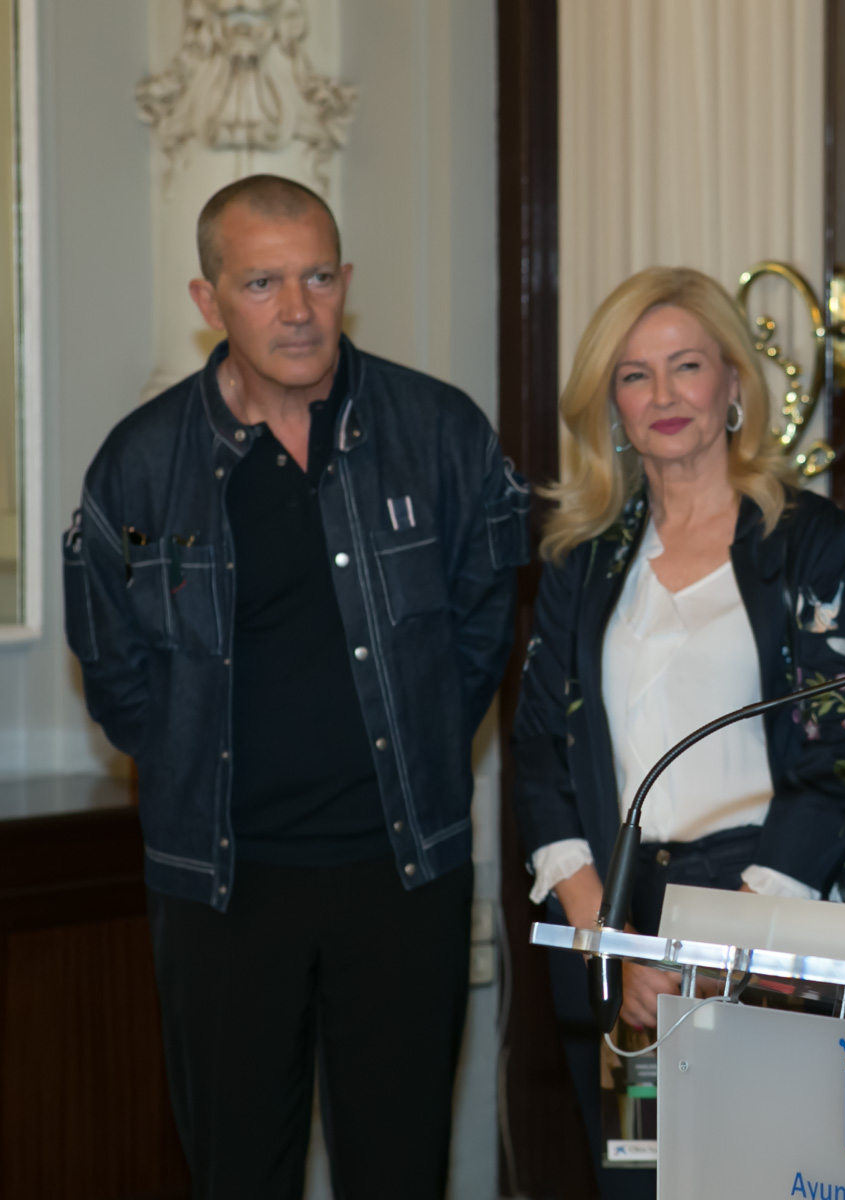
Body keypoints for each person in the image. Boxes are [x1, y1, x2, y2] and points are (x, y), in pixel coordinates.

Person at [62, 175, 526, 1197]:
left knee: (400, 1172)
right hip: (225, 887)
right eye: (263, 283)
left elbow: (488, 608)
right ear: (208, 300)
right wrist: (182, 749)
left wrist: (432, 734)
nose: (297, 309)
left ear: (346, 280)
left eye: (317, 277)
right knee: (236, 1174)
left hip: (402, 876)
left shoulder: (439, 432)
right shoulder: (143, 469)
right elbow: (113, 653)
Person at [511, 266, 845, 1184]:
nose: (664, 395)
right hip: (620, 911)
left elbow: (839, 758)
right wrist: (611, 937)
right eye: (636, 375)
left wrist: (729, 947)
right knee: (642, 1181)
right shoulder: (583, 558)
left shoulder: (810, 540)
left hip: (774, 907)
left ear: (734, 387)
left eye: (687, 367)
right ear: (612, 403)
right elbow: (539, 754)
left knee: (775, 1177)